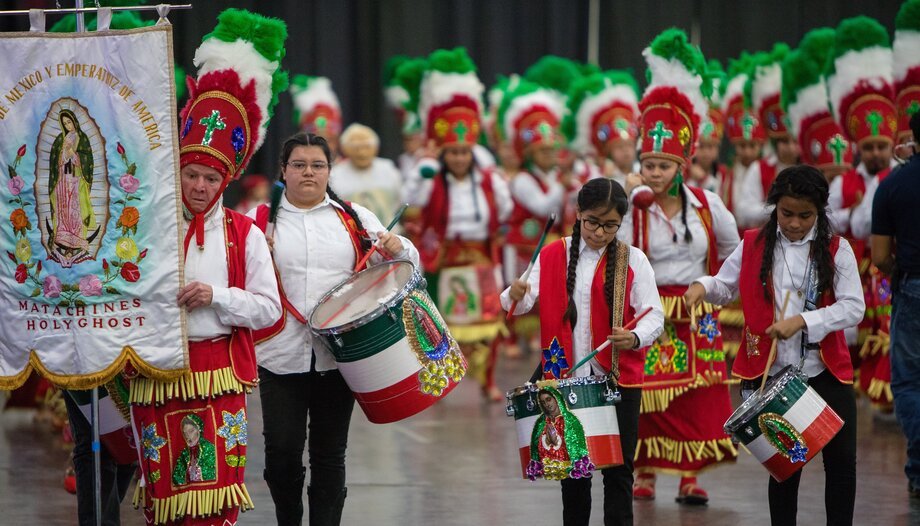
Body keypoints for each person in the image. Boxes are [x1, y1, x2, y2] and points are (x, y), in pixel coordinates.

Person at [128, 9, 285, 525]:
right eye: (191, 174)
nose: (199, 186)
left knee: (217, 502)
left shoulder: (246, 234)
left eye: (209, 178)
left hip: (218, 374)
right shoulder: (146, 226)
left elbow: (267, 309)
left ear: (226, 181)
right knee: (163, 501)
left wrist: (215, 295)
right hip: (156, 374)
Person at [250, 131, 419, 525]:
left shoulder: (355, 217)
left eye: (318, 165)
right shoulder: (257, 221)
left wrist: (400, 249)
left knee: (329, 453)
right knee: (281, 452)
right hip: (278, 354)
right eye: (299, 165)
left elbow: (403, 267)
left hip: (340, 356)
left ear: (329, 170)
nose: (308, 172)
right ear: (283, 171)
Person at [686, 164, 865, 525]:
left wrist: (803, 321)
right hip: (775, 373)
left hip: (825, 369)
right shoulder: (754, 242)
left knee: (842, 464)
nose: (795, 223)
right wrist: (703, 286)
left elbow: (854, 307)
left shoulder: (836, 248)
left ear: (819, 212)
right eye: (786, 214)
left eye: (805, 215)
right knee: (785, 467)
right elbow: (726, 284)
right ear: (774, 208)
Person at [502, 177, 664, 526]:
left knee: (619, 473)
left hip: (616, 381)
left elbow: (654, 315)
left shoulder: (633, 259)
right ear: (578, 214)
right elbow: (519, 301)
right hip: (566, 379)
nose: (600, 232)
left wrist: (633, 337)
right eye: (593, 222)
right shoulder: (552, 254)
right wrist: (515, 293)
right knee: (573, 474)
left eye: (610, 225)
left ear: (621, 223)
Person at [621, 29, 740, 504]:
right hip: (649, 313)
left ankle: (691, 475)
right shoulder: (630, 206)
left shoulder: (710, 205)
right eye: (648, 164)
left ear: (683, 165)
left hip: (695, 311)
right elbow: (616, 256)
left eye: (663, 166)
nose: (654, 173)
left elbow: (737, 255)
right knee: (644, 395)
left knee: (697, 396)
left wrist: (709, 286)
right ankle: (644, 471)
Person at [409, 47, 512, 401]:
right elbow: (415, 204)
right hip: (446, 257)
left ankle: (488, 380)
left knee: (491, 322)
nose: (457, 158)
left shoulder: (487, 179)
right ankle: (438, 382)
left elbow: (506, 208)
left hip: (481, 255)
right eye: (451, 152)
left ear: (472, 152)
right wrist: (425, 169)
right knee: (438, 327)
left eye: (463, 152)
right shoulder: (432, 179)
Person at [872, 107, 920, 501]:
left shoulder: (892, 185)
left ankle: (919, 470)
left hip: (912, 288)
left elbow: (880, 254)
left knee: (908, 382)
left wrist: (899, 270)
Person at [329, 123, 404, 228]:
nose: (362, 153)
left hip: (390, 235)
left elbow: (401, 200)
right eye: (357, 148)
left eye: (366, 147)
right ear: (345, 149)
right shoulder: (336, 175)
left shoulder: (388, 169)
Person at [49, 108, 96, 264]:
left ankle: (76, 238)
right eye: (64, 123)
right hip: (63, 178)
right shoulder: (59, 139)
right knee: (63, 207)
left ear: (74, 121)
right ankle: (62, 235)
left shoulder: (82, 138)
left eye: (69, 122)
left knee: (74, 207)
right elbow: (56, 160)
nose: (68, 125)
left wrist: (73, 153)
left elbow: (87, 159)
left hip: (76, 178)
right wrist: (64, 153)